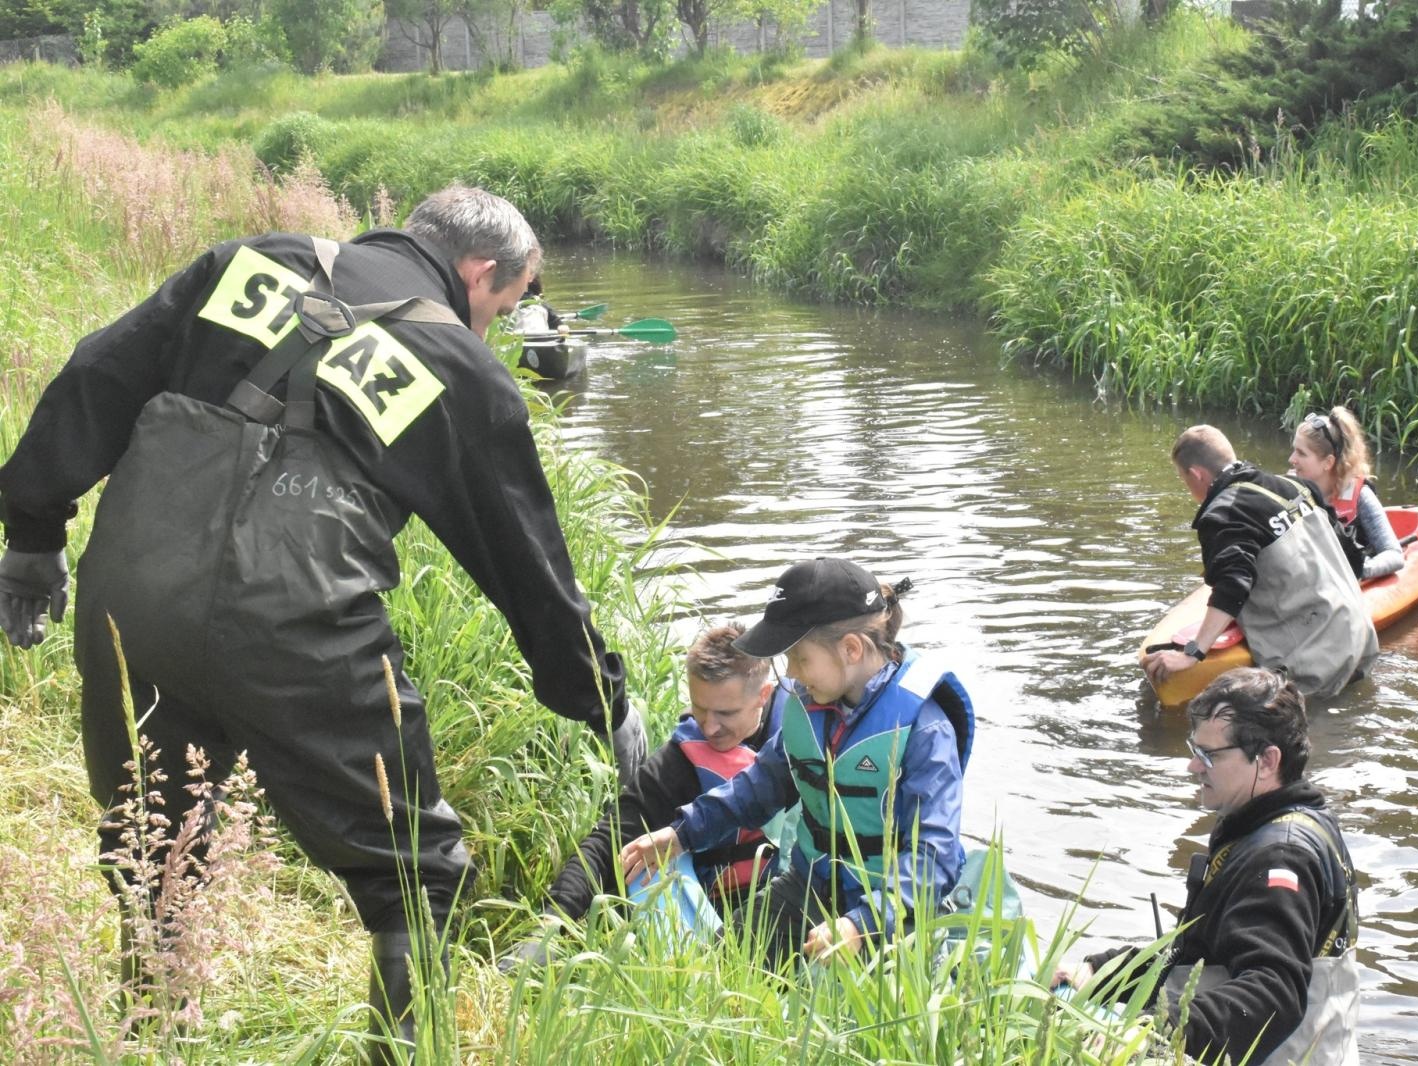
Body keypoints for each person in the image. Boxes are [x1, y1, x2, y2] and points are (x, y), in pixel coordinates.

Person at [0, 185, 646, 1055]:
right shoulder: (459, 367)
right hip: (297, 624)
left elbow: (97, 375)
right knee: (417, 877)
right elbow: (525, 563)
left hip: (133, 594)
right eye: (505, 301)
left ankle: (153, 1037)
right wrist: (600, 696)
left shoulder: (246, 262)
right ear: (478, 271)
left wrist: (34, 536)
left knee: (159, 842)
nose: (494, 323)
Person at [619, 557, 974, 970]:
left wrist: (862, 924)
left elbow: (935, 854)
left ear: (851, 649)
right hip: (810, 888)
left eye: (800, 658)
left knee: (861, 1011)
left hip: (893, 915)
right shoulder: (809, 709)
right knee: (719, 969)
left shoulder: (926, 729)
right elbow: (757, 789)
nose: (791, 674)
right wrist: (681, 834)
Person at [1059, 668, 1360, 1066]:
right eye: (1193, 749)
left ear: (1267, 760)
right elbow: (1196, 947)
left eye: (1208, 755)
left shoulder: (1280, 856)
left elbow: (1273, 992)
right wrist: (1100, 972)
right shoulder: (1276, 825)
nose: (1192, 767)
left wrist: (1152, 1033)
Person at [500, 622, 780, 971]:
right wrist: (550, 923)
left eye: (725, 713)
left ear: (764, 695)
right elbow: (607, 839)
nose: (709, 727)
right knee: (647, 862)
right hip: (714, 904)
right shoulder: (683, 760)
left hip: (788, 897)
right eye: (699, 708)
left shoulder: (805, 735)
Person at [1144, 425, 1377, 699]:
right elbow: (1352, 556)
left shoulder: (1224, 512)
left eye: (1185, 480)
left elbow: (1232, 584)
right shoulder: (1296, 485)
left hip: (1317, 668)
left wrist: (1194, 652)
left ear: (1196, 474)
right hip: (1363, 643)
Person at [1288, 407, 1404, 580]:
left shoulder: (1360, 497)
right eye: (1294, 450)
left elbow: (1394, 555)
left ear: (1328, 462)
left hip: (1352, 580)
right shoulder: (1291, 490)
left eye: (1301, 453)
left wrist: (1358, 570)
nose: (1291, 459)